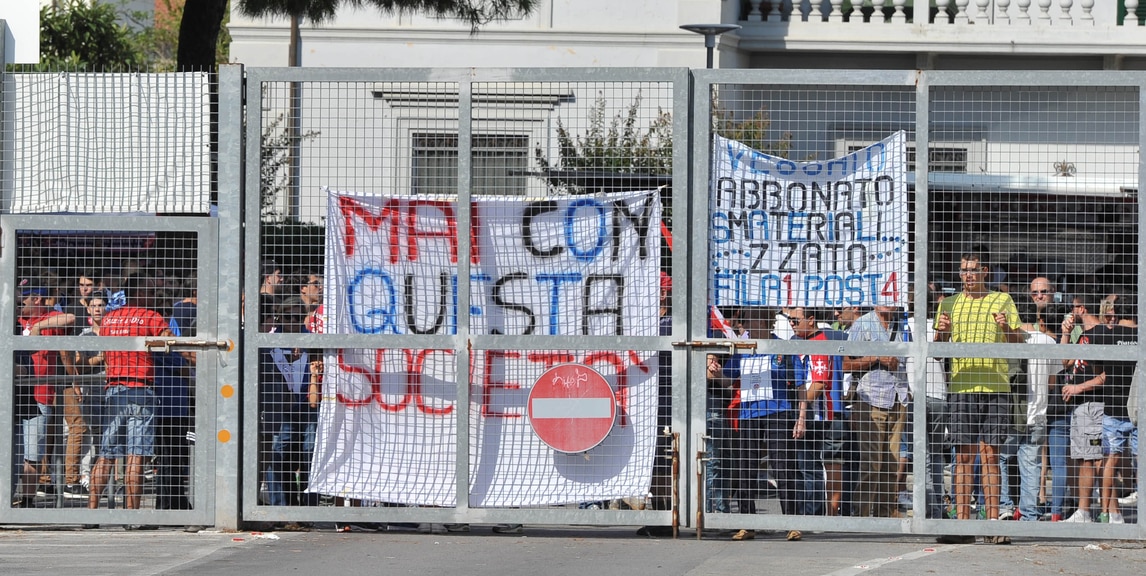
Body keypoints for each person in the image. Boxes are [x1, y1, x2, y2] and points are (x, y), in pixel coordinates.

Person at [934, 251, 1022, 545]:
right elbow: (937, 350)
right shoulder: (948, 303)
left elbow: (1017, 341)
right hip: (961, 387)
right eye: (962, 271)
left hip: (996, 386)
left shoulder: (1002, 300)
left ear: (984, 271)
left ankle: (993, 522)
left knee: (991, 455)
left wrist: (1006, 328)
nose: (967, 276)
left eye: (972, 270)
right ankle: (962, 524)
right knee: (963, 457)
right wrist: (941, 334)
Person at [89, 275, 174, 514]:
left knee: (106, 453)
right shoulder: (150, 316)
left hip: (115, 389)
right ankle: (132, 513)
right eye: (150, 289)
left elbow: (105, 352)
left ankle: (91, 512)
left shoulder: (109, 319)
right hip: (141, 388)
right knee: (136, 454)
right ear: (139, 292)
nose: (155, 294)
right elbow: (169, 342)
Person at [845, 304, 910, 519]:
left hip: (897, 397)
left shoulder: (902, 324)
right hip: (870, 399)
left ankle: (885, 515)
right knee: (871, 464)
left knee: (891, 464)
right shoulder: (862, 324)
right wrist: (876, 358)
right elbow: (845, 363)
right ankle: (862, 516)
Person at [15, 279, 76, 507]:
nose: (21, 303)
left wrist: (39, 328)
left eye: (26, 298)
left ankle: (27, 500)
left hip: (40, 395)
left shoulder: (47, 319)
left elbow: (70, 318)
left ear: (37, 299)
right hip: (14, 394)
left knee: (32, 453)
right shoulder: (16, 320)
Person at [1089, 293, 1137, 524]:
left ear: (1116, 312)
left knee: (1110, 460)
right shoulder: (1142, 336)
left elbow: (1097, 366)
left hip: (1111, 408)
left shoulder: (1106, 336)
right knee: (1141, 462)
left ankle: (1107, 511)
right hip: (1138, 409)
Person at [1013, 297, 1056, 522]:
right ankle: (1029, 515)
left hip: (1014, 413)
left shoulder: (1013, 340)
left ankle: (1003, 506)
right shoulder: (1049, 342)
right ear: (1037, 317)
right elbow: (1051, 382)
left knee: (1000, 459)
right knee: (1031, 466)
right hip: (1039, 413)